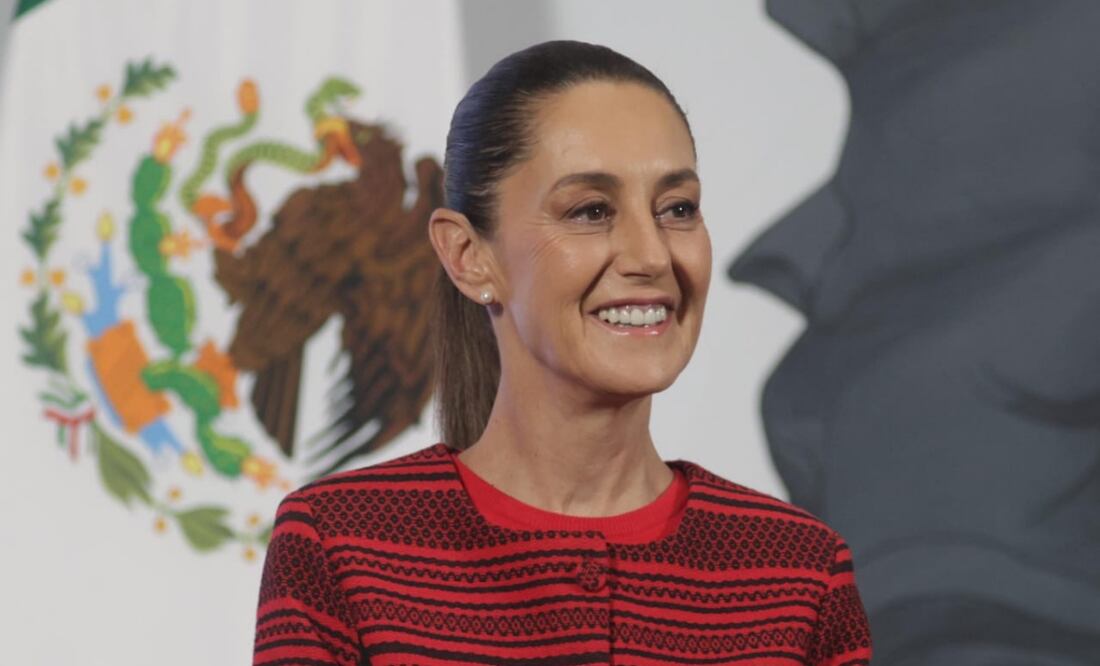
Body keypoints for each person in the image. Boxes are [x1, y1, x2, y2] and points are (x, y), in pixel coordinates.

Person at [253, 40, 873, 665]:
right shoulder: (341, 546)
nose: (652, 255)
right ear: (468, 256)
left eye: (677, 208)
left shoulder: (800, 574)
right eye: (591, 211)